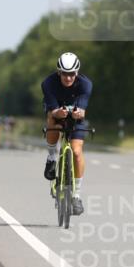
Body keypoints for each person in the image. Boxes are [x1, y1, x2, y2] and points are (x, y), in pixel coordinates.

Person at [41, 52, 92, 216]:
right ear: (59, 72)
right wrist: (58, 112)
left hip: (76, 118)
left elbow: (83, 109)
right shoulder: (48, 83)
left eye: (71, 74)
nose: (68, 78)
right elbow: (52, 109)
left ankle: (76, 194)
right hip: (56, 113)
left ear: (76, 73)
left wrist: (79, 114)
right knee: (51, 119)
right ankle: (51, 157)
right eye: (65, 74)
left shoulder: (85, 84)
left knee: (77, 152)